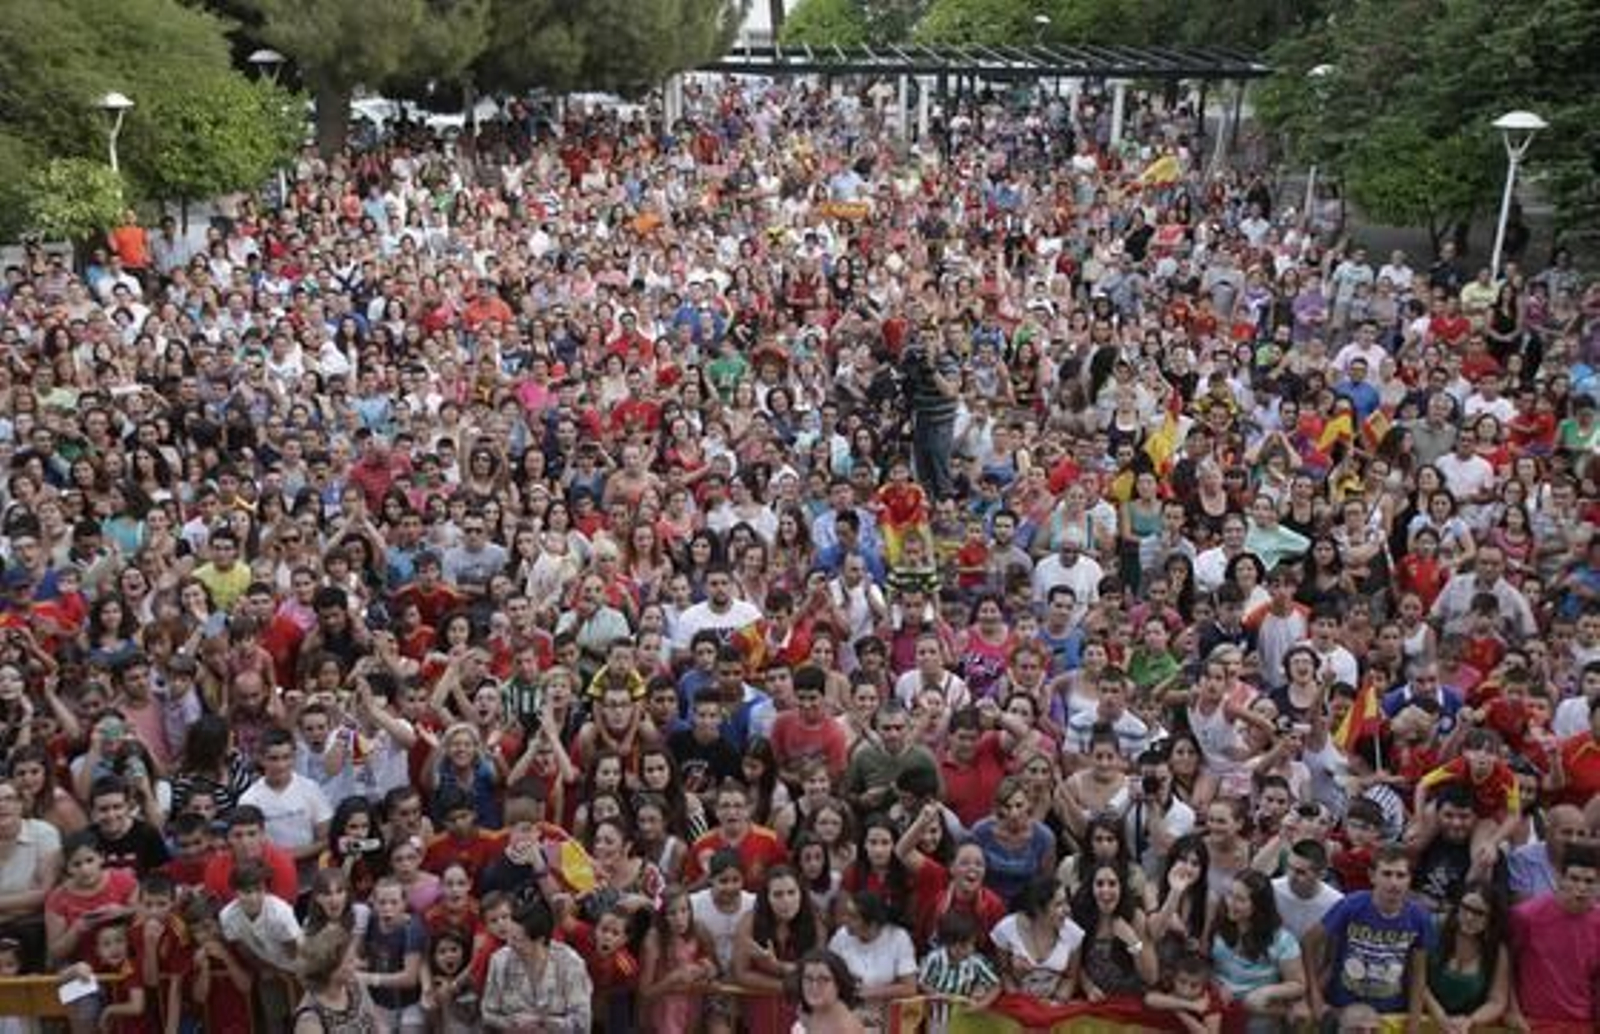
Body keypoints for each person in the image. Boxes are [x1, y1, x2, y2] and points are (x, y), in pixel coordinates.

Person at [1304, 845, 1435, 1029]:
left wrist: (1413, 1024)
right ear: (1373, 876)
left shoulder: (1420, 917)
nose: (1394, 882)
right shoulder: (1351, 905)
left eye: (1401, 875)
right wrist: (1315, 995)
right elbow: (1309, 941)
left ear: (1409, 879)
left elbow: (1418, 975)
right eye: (1387, 874)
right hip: (1343, 1007)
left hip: (1389, 1012)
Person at [1507, 843, 1600, 1030]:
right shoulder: (1525, 916)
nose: (1580, 887)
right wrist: (1513, 1010)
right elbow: (1505, 966)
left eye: (1589, 881)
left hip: (1583, 1025)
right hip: (1533, 1024)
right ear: (1559, 878)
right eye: (1574, 878)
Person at [481, 900, 593, 1032]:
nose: (510, 944)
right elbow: (488, 1013)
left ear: (540, 940)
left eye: (518, 939)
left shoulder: (571, 964)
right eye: (509, 936)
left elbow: (582, 1023)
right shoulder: (499, 960)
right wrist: (510, 1024)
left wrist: (543, 1022)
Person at [292, 924, 381, 1034]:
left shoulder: (356, 985)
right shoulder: (310, 1020)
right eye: (350, 961)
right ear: (330, 970)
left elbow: (377, 1023)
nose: (358, 965)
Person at [793, 949, 868, 1034]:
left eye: (824, 979)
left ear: (839, 984)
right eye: (808, 978)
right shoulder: (805, 1010)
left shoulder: (845, 1028)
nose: (814, 986)